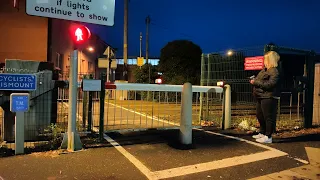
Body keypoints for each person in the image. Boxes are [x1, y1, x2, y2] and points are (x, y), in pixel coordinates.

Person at [250, 51, 281, 143]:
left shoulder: (274, 71)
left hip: (268, 96)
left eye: (266, 59)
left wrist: (255, 82)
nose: (264, 60)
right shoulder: (265, 70)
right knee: (260, 115)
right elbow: (261, 81)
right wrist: (254, 80)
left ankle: (268, 136)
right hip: (260, 96)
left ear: (270, 60)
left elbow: (270, 84)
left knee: (268, 117)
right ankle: (262, 133)